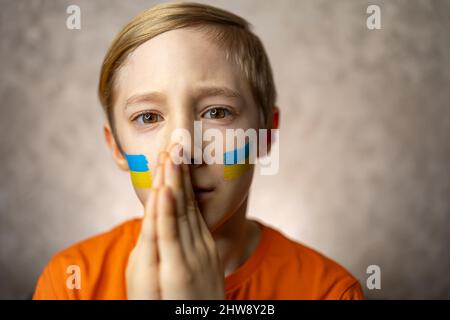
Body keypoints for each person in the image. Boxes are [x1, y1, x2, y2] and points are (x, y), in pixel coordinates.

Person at [33, 2, 363, 300]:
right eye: (148, 117)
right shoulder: (70, 282)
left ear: (265, 135)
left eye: (216, 112)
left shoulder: (329, 291)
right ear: (117, 149)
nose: (183, 151)